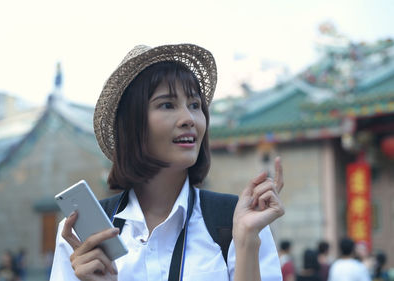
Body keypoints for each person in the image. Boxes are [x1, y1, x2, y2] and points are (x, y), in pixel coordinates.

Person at [50, 44, 285, 280]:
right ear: (133, 124)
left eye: (195, 105)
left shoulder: (238, 222)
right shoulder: (81, 234)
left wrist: (246, 242)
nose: (189, 118)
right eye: (167, 105)